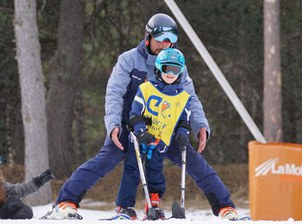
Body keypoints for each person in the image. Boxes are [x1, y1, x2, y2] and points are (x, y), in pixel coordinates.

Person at [45, 13, 210, 220]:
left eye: (169, 41)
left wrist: (200, 125)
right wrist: (114, 124)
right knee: (106, 159)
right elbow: (114, 93)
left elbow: (190, 98)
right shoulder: (129, 60)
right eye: (160, 40)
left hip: (163, 128)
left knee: (193, 161)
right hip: (129, 125)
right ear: (147, 37)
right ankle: (66, 202)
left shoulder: (177, 64)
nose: (164, 46)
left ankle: (224, 208)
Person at [127, 48, 238, 221]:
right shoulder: (146, 89)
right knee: (151, 170)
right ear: (158, 69)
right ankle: (148, 205)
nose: (171, 74)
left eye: (176, 70)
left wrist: (183, 133)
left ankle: (225, 207)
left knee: (200, 167)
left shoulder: (183, 95)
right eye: (167, 69)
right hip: (150, 138)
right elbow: (135, 114)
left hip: (170, 138)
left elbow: (184, 119)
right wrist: (141, 132)